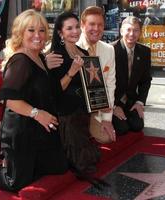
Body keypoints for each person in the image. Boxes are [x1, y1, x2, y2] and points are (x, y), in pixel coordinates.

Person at [0, 9, 68, 192]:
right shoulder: (20, 60)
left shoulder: (38, 56)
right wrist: (38, 114)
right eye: (31, 30)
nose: (38, 35)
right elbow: (8, 99)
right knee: (15, 182)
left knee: (58, 167)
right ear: (20, 33)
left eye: (42, 30)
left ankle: (19, 162)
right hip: (21, 131)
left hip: (39, 129)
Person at [47, 12, 100, 174]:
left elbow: (92, 84)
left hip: (83, 109)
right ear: (60, 33)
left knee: (92, 158)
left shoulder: (83, 51)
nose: (75, 31)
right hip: (65, 112)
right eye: (69, 28)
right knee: (83, 165)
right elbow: (56, 91)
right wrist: (72, 71)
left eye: (77, 27)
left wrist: (98, 101)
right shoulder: (55, 55)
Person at [76, 6, 116, 144]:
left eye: (100, 25)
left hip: (98, 107)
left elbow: (111, 84)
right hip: (75, 108)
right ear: (82, 25)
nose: (96, 29)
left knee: (107, 138)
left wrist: (106, 119)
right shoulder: (71, 46)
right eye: (92, 24)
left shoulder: (109, 49)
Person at [111, 16, 152, 135]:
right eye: (128, 30)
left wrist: (140, 102)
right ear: (121, 31)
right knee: (122, 129)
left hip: (131, 101)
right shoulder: (111, 49)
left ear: (140, 32)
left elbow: (146, 80)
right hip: (114, 100)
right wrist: (112, 106)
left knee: (137, 126)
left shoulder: (144, 52)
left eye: (136, 30)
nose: (131, 34)